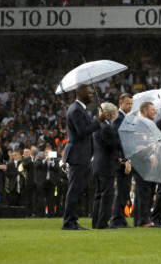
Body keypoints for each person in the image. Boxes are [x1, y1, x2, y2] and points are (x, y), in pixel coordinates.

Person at [62, 85, 104, 231]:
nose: (92, 95)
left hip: (81, 155)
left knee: (77, 189)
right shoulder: (75, 110)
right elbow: (81, 132)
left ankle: (72, 220)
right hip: (77, 155)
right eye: (90, 93)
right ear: (79, 93)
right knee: (74, 189)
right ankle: (69, 222)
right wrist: (98, 122)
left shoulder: (81, 109)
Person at [91, 103, 120, 229]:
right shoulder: (106, 128)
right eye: (114, 114)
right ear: (109, 115)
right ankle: (102, 223)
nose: (115, 116)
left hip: (98, 164)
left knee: (99, 195)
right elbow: (113, 144)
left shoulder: (97, 126)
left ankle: (96, 222)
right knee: (107, 195)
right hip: (106, 165)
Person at [110, 93, 133, 228]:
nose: (129, 106)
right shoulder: (119, 120)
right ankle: (116, 219)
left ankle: (121, 218)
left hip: (126, 160)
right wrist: (124, 160)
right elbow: (117, 142)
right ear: (120, 104)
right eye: (127, 103)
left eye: (131, 103)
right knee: (121, 190)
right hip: (122, 162)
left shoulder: (125, 119)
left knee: (125, 191)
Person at [132, 102, 156, 227]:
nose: (155, 112)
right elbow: (138, 144)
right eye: (152, 110)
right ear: (145, 111)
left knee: (144, 191)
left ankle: (139, 220)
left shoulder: (147, 124)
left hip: (145, 162)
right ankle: (143, 220)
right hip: (141, 162)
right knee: (143, 191)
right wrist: (150, 155)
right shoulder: (139, 124)